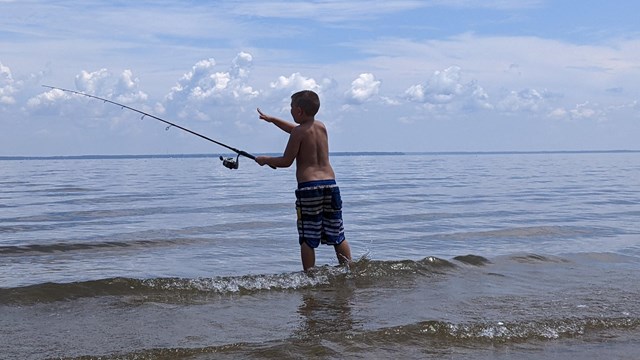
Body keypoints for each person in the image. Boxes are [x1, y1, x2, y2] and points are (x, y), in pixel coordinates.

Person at [255, 90, 352, 272]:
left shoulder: (298, 133)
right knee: (337, 233)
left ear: (299, 111)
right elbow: (297, 130)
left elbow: (286, 161)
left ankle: (309, 276)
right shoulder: (321, 127)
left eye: (291, 108)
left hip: (309, 188)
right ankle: (349, 269)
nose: (290, 111)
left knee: (308, 236)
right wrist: (273, 120)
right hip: (331, 185)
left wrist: (265, 159)